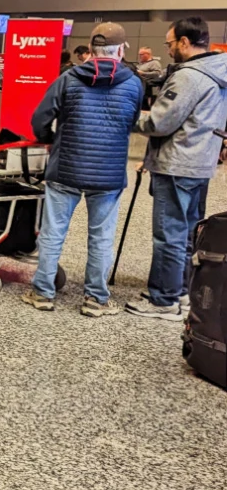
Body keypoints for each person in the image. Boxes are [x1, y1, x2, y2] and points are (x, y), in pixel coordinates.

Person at [23, 23, 144, 316]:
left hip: (65, 168)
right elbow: (132, 121)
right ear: (121, 49)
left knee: (53, 233)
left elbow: (40, 117)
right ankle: (95, 300)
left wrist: (48, 139)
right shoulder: (134, 83)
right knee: (101, 237)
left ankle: (42, 293)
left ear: (89, 50)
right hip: (109, 173)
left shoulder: (68, 78)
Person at [130, 16, 227, 320]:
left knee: (168, 234)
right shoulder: (218, 72)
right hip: (200, 163)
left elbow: (160, 121)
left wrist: (130, 119)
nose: (168, 50)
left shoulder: (189, 77)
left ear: (185, 42)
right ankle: (181, 291)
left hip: (176, 164)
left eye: (170, 43)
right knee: (187, 234)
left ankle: (163, 300)